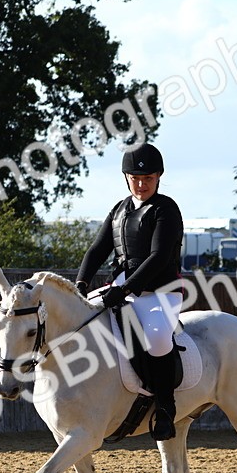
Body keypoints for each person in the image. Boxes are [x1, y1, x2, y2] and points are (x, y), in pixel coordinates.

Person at [75, 142, 184, 441]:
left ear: (158, 177)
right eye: (135, 178)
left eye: (147, 178)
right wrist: (81, 285)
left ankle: (165, 408)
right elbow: (97, 250)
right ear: (126, 178)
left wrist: (124, 289)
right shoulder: (119, 209)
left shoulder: (166, 209)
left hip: (159, 292)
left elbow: (159, 257)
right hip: (121, 289)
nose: (141, 183)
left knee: (159, 338)